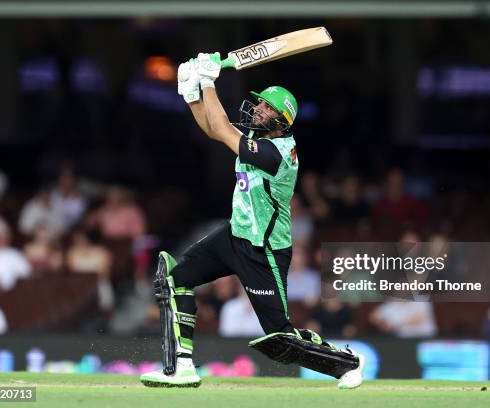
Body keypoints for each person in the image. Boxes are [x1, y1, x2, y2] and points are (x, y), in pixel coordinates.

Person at [140, 54, 364, 389]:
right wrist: (191, 91)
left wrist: (209, 81)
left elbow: (219, 127)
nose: (257, 109)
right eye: (259, 103)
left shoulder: (276, 155)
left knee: (279, 336)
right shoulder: (258, 139)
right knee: (175, 278)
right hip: (236, 234)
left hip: (265, 250)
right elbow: (215, 130)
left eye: (265, 108)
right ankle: (181, 367)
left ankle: (348, 363)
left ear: (281, 120)